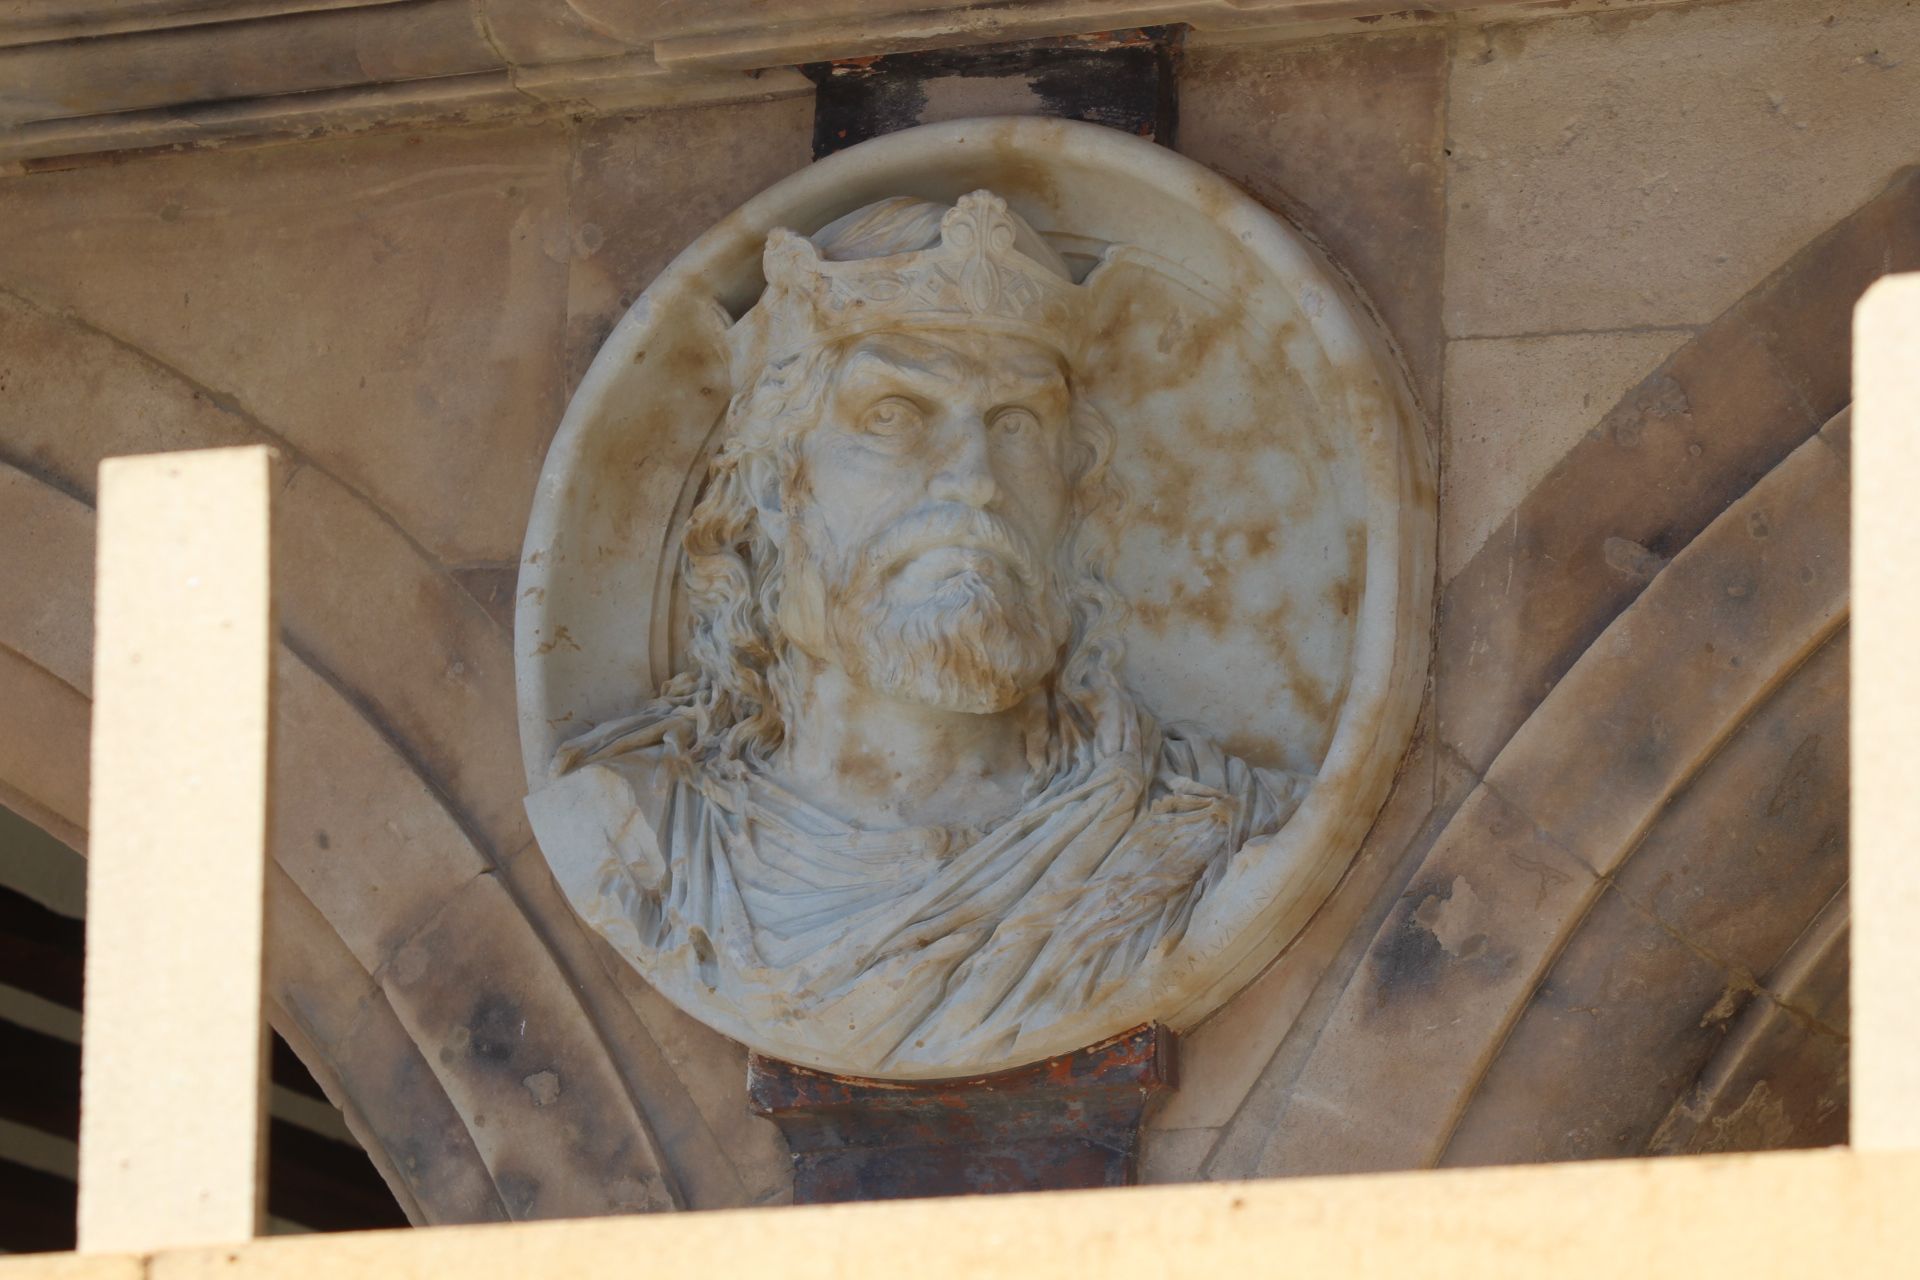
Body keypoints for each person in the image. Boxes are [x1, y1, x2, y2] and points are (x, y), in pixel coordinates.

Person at [529, 191, 1302, 1075]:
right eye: (894, 416)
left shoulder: (1210, 836)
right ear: (779, 490)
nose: (975, 479)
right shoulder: (640, 838)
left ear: (1074, 492)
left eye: (1016, 426)